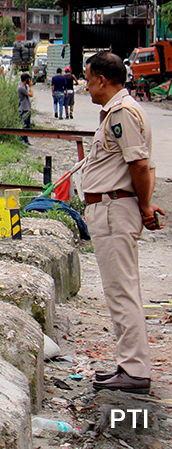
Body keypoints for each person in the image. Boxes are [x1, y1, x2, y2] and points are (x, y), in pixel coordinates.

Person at [81, 52, 164, 394]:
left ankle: (134, 369)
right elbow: (143, 166)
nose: (86, 87)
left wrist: (144, 205)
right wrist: (144, 203)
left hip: (114, 210)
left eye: (88, 80)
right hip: (113, 207)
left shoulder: (122, 114)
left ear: (102, 80)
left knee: (121, 291)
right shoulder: (126, 111)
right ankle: (128, 364)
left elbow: (140, 165)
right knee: (120, 290)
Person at [17, 72, 33, 144]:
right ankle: (22, 140)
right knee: (24, 125)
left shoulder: (24, 87)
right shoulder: (21, 88)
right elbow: (31, 94)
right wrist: (31, 87)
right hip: (23, 109)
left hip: (26, 108)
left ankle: (26, 139)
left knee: (27, 126)